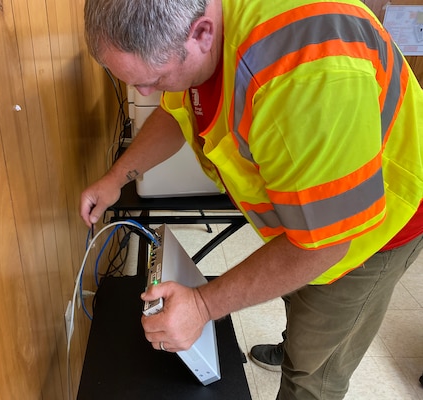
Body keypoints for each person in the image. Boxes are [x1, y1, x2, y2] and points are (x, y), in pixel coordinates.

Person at [80, 0, 423, 398]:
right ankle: (296, 340)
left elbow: (323, 245)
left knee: (314, 373)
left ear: (202, 34)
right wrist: (115, 178)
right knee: (297, 296)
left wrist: (203, 307)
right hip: (309, 216)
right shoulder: (197, 24)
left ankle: (304, 355)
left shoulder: (308, 79)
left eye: (153, 80)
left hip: (377, 224)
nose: (145, 92)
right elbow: (176, 112)